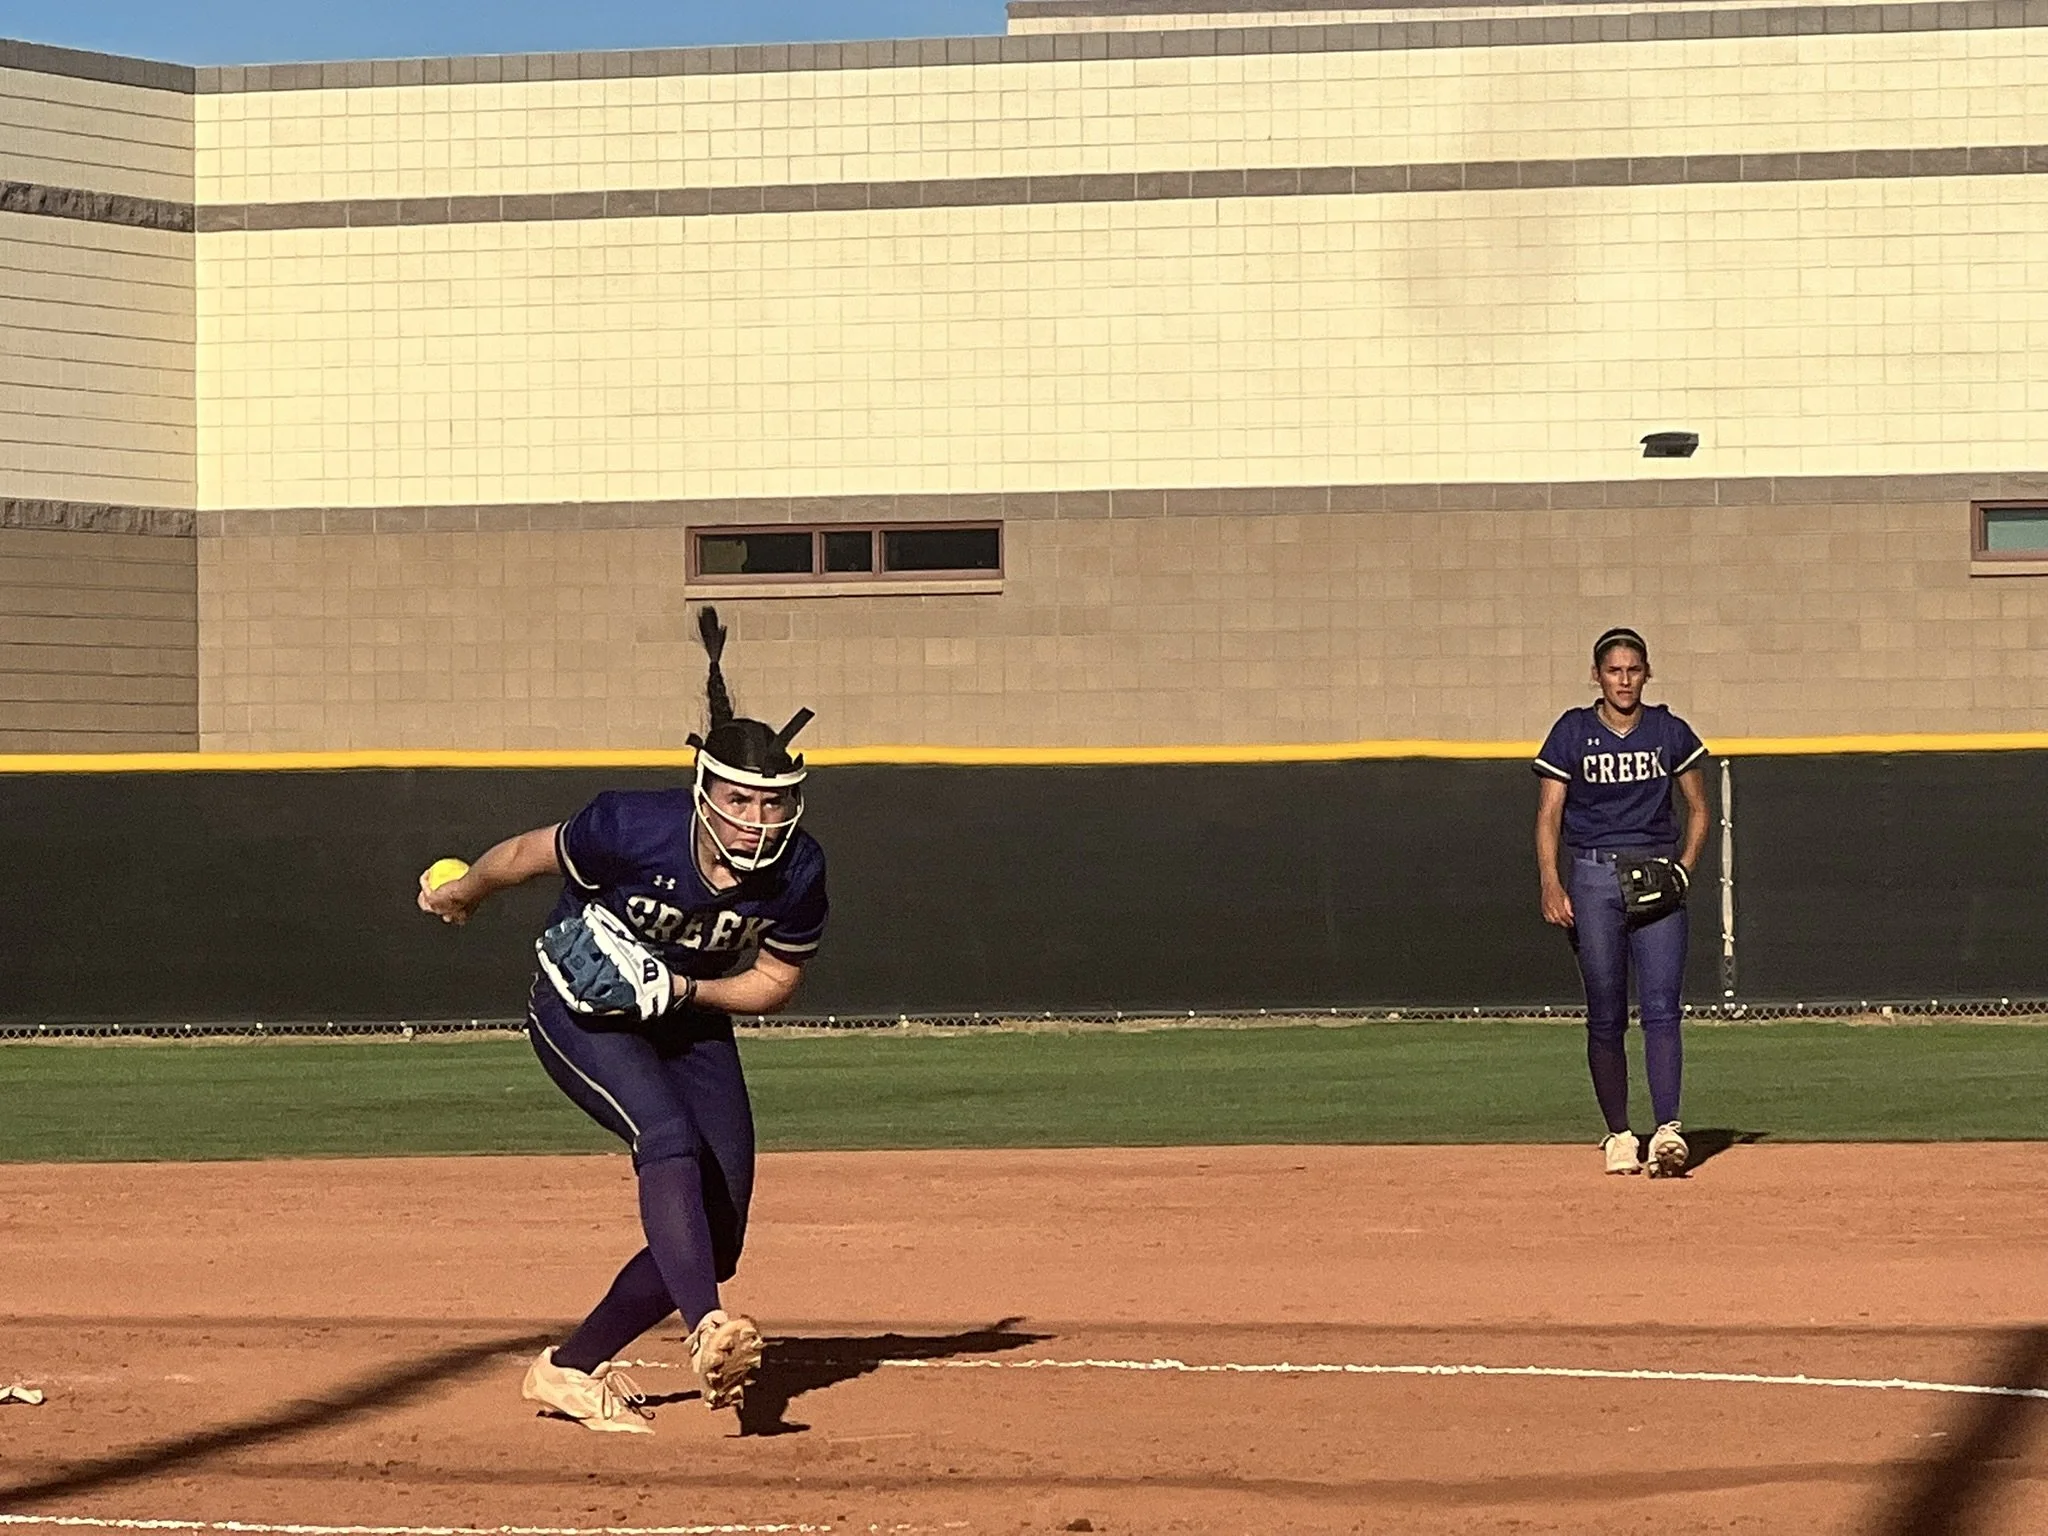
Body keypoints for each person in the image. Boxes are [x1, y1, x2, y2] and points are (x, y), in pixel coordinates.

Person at [417, 607, 827, 1431]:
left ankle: (567, 1371)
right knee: (666, 1137)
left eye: (774, 805)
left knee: (721, 1233)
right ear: (706, 790)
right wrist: (461, 894)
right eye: (742, 800)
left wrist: (686, 993)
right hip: (582, 1012)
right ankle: (708, 1327)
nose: (758, 821)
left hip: (688, 1019)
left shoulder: (798, 870)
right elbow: (530, 854)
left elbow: (776, 978)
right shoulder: (633, 825)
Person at [1533, 627, 1708, 1178]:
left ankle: (1668, 1132)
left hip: (1655, 870)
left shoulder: (1667, 730)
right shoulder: (1572, 731)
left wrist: (1684, 868)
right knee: (1605, 1014)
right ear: (1597, 676)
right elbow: (1548, 816)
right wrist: (1550, 882)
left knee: (1662, 1009)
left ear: (1647, 673)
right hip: (1593, 875)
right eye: (1614, 670)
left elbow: (1699, 807)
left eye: (1633, 669)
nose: (1624, 679)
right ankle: (1619, 1135)